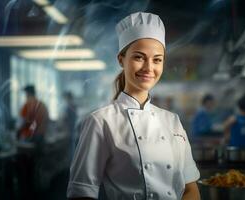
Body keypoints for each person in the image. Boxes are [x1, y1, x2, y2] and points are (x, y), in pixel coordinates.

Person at [67, 12, 201, 200]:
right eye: (139, 57)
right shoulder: (100, 122)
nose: (149, 68)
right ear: (121, 59)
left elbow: (190, 189)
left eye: (157, 59)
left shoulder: (173, 121)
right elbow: (82, 193)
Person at [62, 91, 78, 160]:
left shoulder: (68, 107)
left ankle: (70, 165)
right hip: (73, 130)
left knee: (70, 150)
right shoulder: (73, 106)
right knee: (72, 148)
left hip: (69, 131)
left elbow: (64, 119)